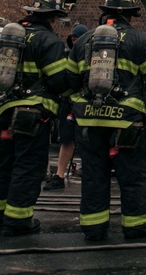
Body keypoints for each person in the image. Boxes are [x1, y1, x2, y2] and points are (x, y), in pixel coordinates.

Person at [67, 0, 146, 241]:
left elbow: (69, 82)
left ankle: (94, 229)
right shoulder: (140, 42)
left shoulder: (83, 41)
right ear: (130, 16)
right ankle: (134, 227)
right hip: (126, 123)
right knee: (132, 177)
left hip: (88, 122)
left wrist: (79, 108)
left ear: (104, 13)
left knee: (93, 176)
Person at [0, 0, 69, 235]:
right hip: (32, 115)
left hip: (4, 111)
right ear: (53, 19)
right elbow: (59, 80)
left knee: (2, 165)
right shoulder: (49, 41)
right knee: (28, 167)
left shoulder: (10, 38)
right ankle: (18, 220)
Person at [45, 23, 88, 191]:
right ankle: (59, 175)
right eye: (73, 38)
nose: (75, 41)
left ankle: (88, 170)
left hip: (83, 104)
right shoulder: (66, 56)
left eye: (78, 38)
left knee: (87, 140)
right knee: (66, 140)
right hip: (68, 102)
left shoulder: (89, 57)